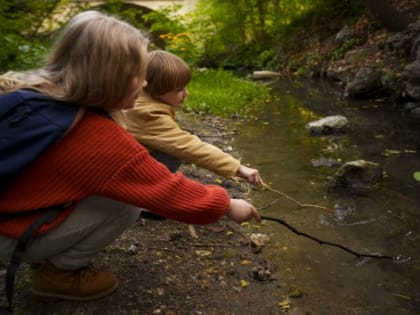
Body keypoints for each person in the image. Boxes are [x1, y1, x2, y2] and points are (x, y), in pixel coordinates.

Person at [0, 10, 260, 303]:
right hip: (9, 235)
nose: (145, 85)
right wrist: (225, 204)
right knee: (126, 204)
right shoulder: (95, 136)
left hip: (13, 209)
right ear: (113, 78)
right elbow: (166, 190)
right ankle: (59, 275)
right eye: (139, 74)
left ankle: (47, 247)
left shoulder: (22, 88)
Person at [124, 50, 266, 186]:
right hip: (127, 175)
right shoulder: (148, 114)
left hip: (125, 164)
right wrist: (237, 167)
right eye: (178, 90)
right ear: (155, 90)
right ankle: (153, 191)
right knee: (172, 152)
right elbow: (188, 146)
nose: (186, 93)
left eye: (185, 87)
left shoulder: (139, 99)